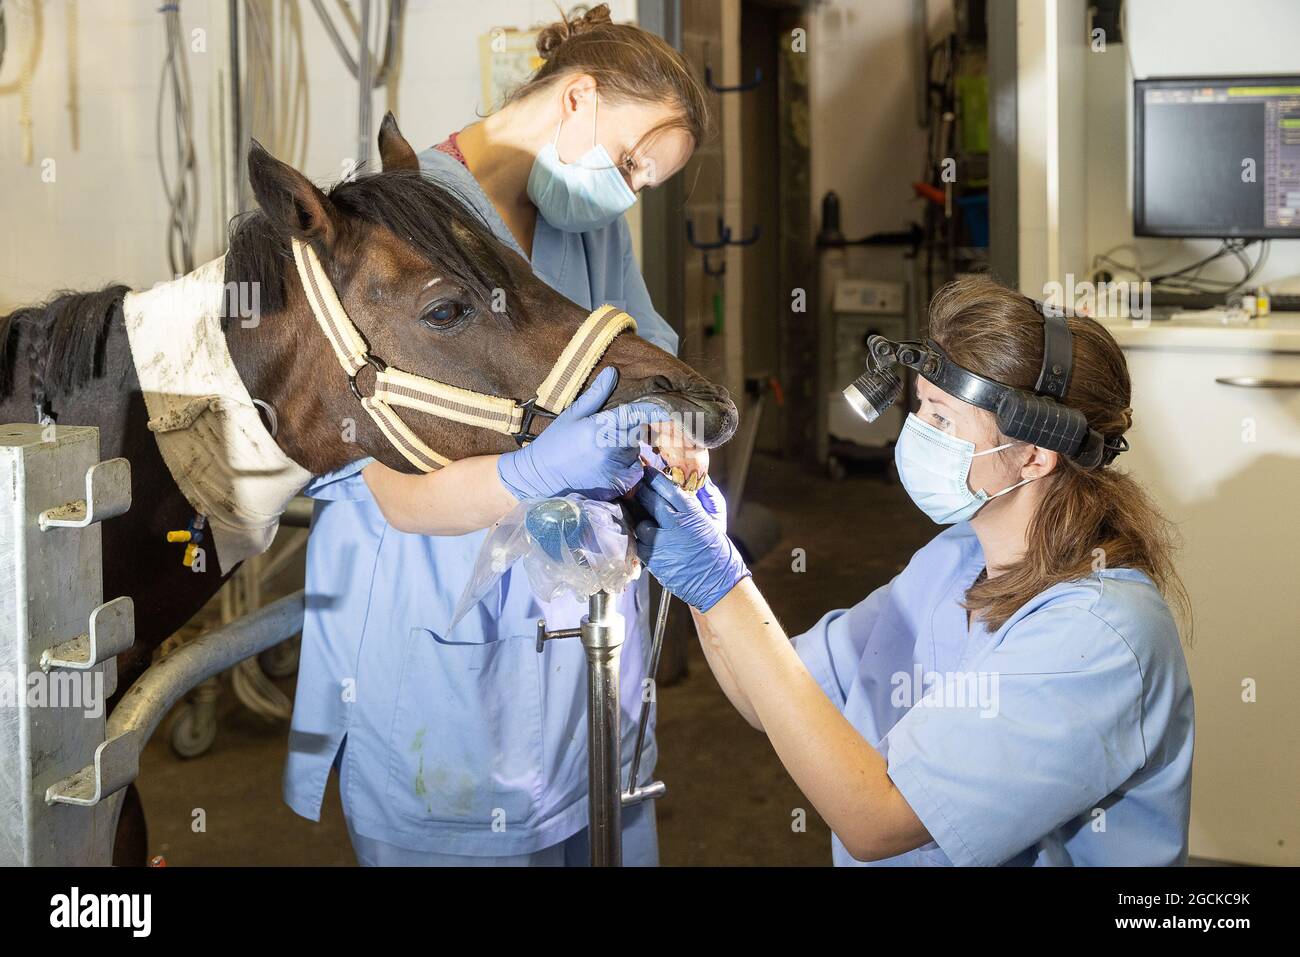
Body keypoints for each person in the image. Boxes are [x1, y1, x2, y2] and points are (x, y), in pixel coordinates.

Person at [283, 5, 710, 866]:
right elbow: (370, 472)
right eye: (628, 162)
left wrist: (672, 425)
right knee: (464, 823)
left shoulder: (589, 223)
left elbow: (645, 348)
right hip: (434, 615)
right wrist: (533, 470)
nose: (627, 189)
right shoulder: (400, 218)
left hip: (578, 624)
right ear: (579, 96)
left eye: (645, 182)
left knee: (595, 817)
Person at [633, 276, 1196, 866]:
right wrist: (697, 553)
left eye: (941, 419)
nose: (915, 436)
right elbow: (765, 694)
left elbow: (876, 821)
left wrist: (720, 584)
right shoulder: (954, 559)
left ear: (1035, 454)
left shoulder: (1100, 636)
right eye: (920, 408)